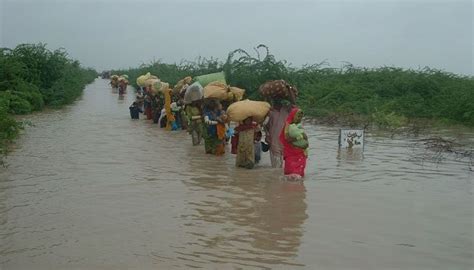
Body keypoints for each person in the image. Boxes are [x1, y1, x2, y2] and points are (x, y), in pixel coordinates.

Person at [279, 108, 309, 180]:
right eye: (298, 116)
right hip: (291, 153)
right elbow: (287, 139)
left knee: (300, 178)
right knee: (291, 176)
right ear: (293, 116)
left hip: (300, 153)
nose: (299, 118)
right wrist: (299, 137)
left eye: (301, 117)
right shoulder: (288, 125)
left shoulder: (298, 126)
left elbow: (304, 137)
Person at [264, 99, 291, 168]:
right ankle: (275, 177)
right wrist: (267, 135)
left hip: (285, 140)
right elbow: (265, 125)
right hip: (273, 140)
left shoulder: (286, 110)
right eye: (276, 102)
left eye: (279, 102)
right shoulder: (270, 113)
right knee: (276, 165)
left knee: (284, 164)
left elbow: (293, 103)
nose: (278, 104)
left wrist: (289, 89)